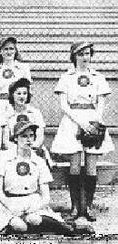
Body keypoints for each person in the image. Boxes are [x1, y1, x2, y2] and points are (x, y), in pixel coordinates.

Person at [51, 42, 114, 223]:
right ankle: (75, 206)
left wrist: (94, 124)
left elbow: (101, 103)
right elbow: (64, 105)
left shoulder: (98, 77)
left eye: (87, 53)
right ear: (74, 56)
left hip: (93, 120)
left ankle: (87, 206)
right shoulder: (66, 77)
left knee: (92, 165)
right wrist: (80, 123)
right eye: (81, 54)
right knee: (75, 165)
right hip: (72, 122)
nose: (85, 58)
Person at [0, 121, 71, 234]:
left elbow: (46, 196)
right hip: (10, 202)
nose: (28, 140)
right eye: (24, 136)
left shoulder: (39, 161)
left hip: (32, 201)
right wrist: (10, 206)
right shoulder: (3, 157)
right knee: (19, 226)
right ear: (15, 138)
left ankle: (65, 229)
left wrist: (33, 208)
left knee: (34, 219)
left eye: (31, 136)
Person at [0, 78, 54, 169]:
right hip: (13, 149)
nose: (22, 96)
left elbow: (39, 136)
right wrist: (19, 149)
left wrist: (31, 147)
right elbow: (5, 140)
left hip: (33, 147)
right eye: (18, 93)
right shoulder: (6, 114)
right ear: (12, 95)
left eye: (24, 93)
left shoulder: (35, 113)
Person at [0, 37, 31, 112]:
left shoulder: (23, 68)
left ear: (15, 51)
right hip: (0, 104)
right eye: (5, 49)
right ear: (0, 51)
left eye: (11, 49)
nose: (9, 52)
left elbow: (28, 89)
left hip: (18, 104)